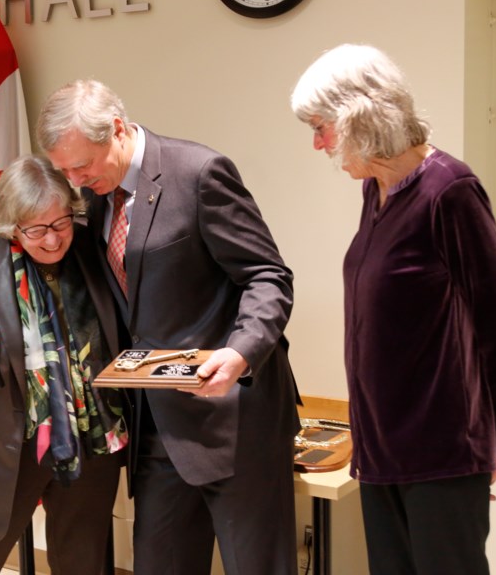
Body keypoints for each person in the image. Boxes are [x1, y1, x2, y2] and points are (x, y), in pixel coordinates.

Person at [36, 79, 301, 575]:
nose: (74, 179)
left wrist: (241, 352)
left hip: (233, 418)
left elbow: (268, 277)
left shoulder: (198, 173)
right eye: (64, 169)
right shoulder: (96, 199)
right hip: (155, 425)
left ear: (116, 130)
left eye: (82, 165)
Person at [291, 44, 496, 575]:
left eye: (321, 126)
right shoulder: (376, 192)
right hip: (380, 449)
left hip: (442, 451)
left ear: (360, 116)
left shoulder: (451, 190)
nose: (317, 143)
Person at [0, 154, 129, 575]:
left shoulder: (93, 251)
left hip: (90, 440)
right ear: (12, 227)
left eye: (60, 224)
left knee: (82, 563)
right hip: (8, 444)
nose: (53, 240)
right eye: (37, 230)